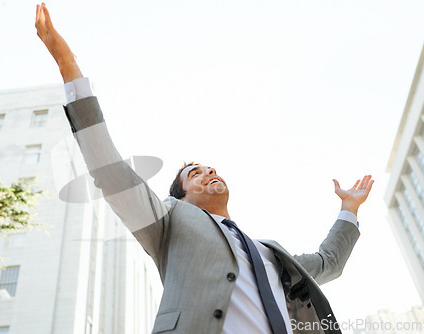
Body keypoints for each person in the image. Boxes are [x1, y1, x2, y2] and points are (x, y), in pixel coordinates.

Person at [35, 3, 374, 334]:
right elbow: (110, 171)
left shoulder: (270, 254)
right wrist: (68, 65)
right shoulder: (168, 222)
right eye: (195, 173)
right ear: (181, 198)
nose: (210, 171)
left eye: (210, 167)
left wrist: (349, 208)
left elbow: (329, 262)